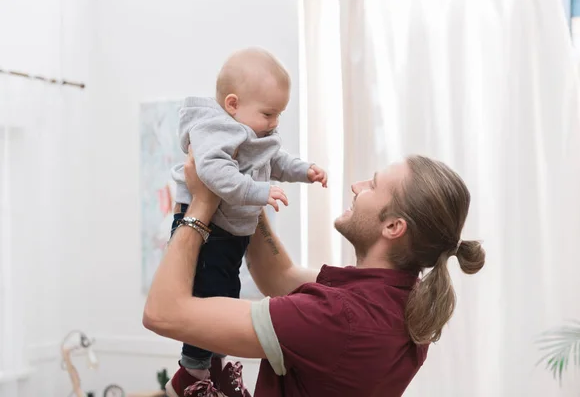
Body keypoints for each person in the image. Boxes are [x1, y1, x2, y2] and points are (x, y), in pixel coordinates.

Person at [144, 150, 486, 397]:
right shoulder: (404, 303)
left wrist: (199, 205)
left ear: (394, 226)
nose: (356, 186)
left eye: (372, 185)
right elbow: (279, 275)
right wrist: (245, 191)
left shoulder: (337, 317)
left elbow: (163, 313)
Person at [168, 47, 328, 391]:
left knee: (226, 295)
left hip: (230, 232)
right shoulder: (216, 129)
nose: (275, 124)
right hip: (209, 231)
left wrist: (304, 171)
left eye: (279, 115)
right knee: (208, 295)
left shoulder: (253, 132)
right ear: (232, 104)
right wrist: (258, 192)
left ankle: (212, 362)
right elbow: (213, 172)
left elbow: (276, 160)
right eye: (269, 114)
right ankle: (193, 371)